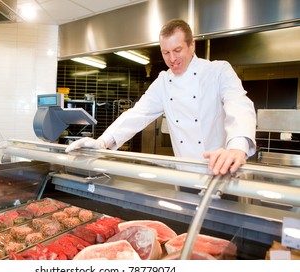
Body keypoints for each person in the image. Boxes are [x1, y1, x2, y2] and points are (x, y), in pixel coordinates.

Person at [65, 19, 256, 176]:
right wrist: (102, 142)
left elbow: (239, 104)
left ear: (192, 45)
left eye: (177, 50)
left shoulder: (218, 70)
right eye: (166, 52)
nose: (172, 59)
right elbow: (137, 114)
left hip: (221, 172)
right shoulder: (164, 81)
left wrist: (237, 147)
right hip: (185, 176)